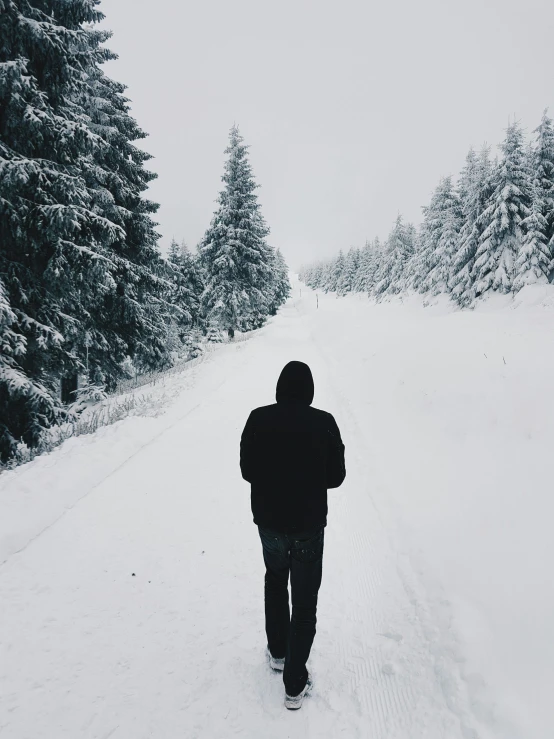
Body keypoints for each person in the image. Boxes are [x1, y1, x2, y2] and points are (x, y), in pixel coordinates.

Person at [240, 360, 346, 710]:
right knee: (304, 603)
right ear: (309, 389)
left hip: (269, 524)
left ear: (280, 388)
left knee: (274, 580)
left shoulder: (257, 419)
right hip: (308, 527)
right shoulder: (325, 423)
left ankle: (277, 652)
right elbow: (336, 477)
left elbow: (247, 470)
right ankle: (294, 685)